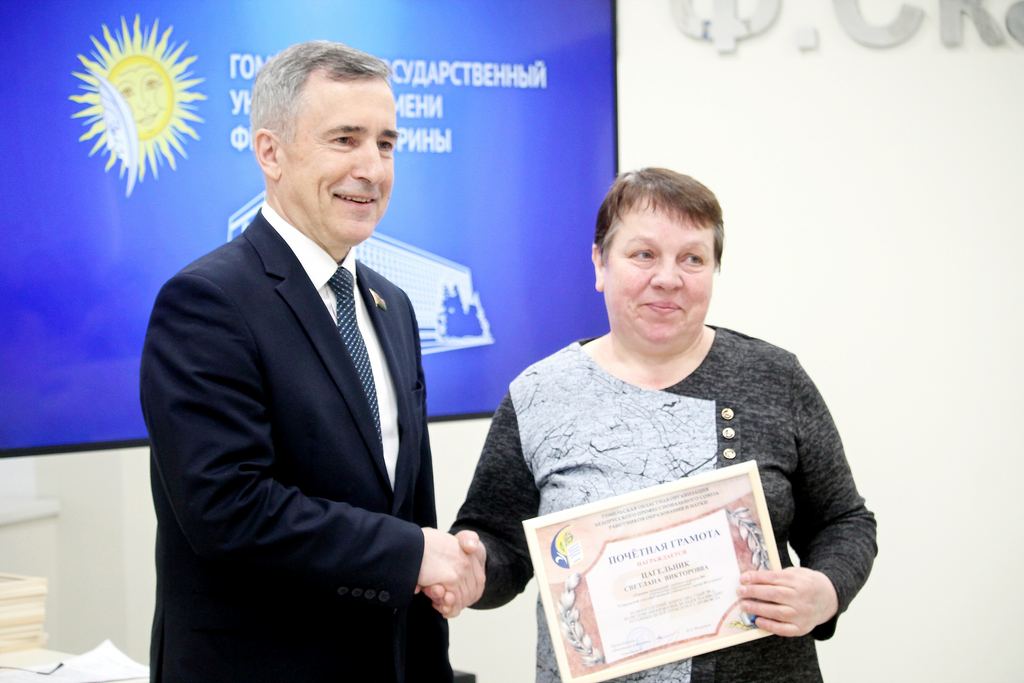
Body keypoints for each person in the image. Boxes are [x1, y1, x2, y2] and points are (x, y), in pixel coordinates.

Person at [140, 40, 483, 683]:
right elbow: (228, 510)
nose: (371, 168)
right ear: (270, 152)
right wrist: (411, 553)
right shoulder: (207, 302)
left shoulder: (393, 305)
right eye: (345, 139)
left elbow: (406, 503)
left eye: (385, 144)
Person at [450, 168, 877, 682]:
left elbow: (845, 520)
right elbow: (499, 543)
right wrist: (471, 569)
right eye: (644, 254)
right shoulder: (539, 394)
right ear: (600, 263)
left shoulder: (775, 377)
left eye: (692, 258)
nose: (668, 278)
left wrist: (826, 590)